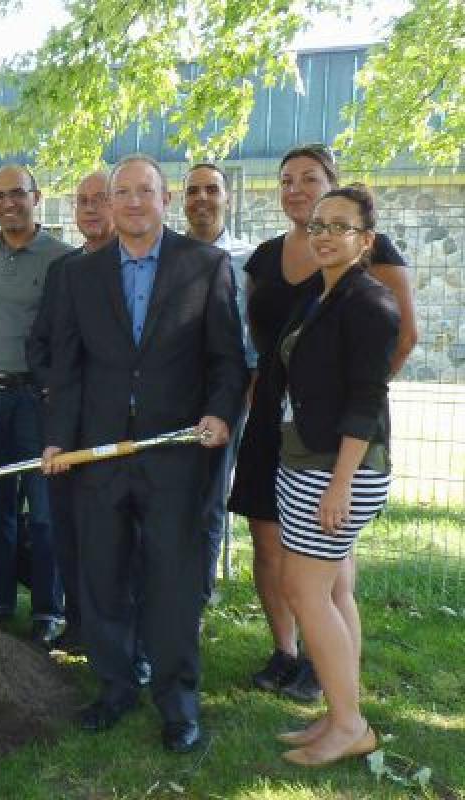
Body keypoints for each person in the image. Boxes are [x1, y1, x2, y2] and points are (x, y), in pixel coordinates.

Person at [42, 155, 246, 753]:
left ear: (164, 200)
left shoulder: (205, 267)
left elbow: (227, 361)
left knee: (173, 583)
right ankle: (114, 687)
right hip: (99, 455)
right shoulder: (81, 275)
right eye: (121, 192)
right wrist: (58, 437)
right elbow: (68, 367)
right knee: (102, 575)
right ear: (108, 202)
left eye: (145, 191)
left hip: (175, 453)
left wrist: (220, 414)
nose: (132, 202)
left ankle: (178, 704)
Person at [228, 144, 416, 703]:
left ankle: (327, 669)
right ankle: (286, 652)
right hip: (272, 420)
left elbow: (398, 339)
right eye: (285, 181)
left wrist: (342, 403)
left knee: (324, 561)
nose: (295, 189)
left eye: (309, 179)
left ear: (333, 185)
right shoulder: (266, 257)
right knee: (269, 539)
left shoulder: (368, 257)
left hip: (332, 435)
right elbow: (267, 345)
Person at [272, 185, 395, 766]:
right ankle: (342, 711)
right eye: (319, 225)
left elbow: (366, 400)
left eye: (340, 227)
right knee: (333, 589)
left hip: (338, 470)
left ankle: (350, 724)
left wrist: (340, 484)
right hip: (310, 464)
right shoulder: (323, 296)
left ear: (365, 240)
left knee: (305, 590)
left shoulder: (369, 303)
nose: (324, 234)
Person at [0, 164, 73, 649]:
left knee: (46, 510)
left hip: (37, 399)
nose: (7, 203)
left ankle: (50, 609)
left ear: (36, 196)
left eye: (16, 194)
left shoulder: (63, 259)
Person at [26, 169, 115, 645]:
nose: (90, 209)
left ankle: (120, 634)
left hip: (116, 427)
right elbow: (40, 342)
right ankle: (78, 625)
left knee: (115, 534)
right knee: (67, 525)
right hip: (63, 423)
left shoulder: (134, 267)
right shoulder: (64, 269)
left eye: (100, 199)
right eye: (82, 201)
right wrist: (51, 388)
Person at [182, 163, 256, 603]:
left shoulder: (249, 260)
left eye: (212, 190)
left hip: (226, 392)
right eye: (194, 191)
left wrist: (242, 396)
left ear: (227, 198)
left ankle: (200, 588)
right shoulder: (167, 255)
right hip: (172, 393)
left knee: (210, 495)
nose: (202, 199)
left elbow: (257, 333)